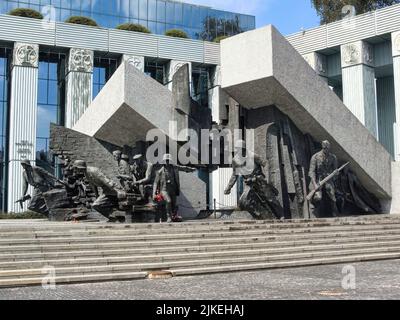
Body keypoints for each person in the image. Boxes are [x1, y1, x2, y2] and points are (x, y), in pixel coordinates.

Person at [224, 140, 284, 220]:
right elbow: (235, 175)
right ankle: (261, 216)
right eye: (237, 149)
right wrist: (228, 188)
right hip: (249, 183)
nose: (238, 150)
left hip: (259, 180)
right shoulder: (235, 160)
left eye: (240, 148)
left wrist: (267, 177)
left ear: (244, 148)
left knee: (270, 198)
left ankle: (281, 215)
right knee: (245, 201)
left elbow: (265, 164)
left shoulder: (253, 155)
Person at [153, 154, 195, 222]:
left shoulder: (174, 168)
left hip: (173, 189)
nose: (167, 162)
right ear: (164, 161)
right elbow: (155, 182)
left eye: (168, 160)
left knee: (173, 204)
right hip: (164, 190)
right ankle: (168, 216)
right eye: (166, 160)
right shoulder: (160, 171)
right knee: (168, 201)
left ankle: (173, 216)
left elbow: (182, 168)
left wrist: (190, 169)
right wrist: (154, 193)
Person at [308, 140, 339, 217]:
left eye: (328, 148)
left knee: (332, 195)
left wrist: (336, 173)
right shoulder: (315, 157)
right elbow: (311, 172)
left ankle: (335, 213)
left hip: (328, 179)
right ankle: (314, 209)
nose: (326, 149)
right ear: (322, 147)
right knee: (318, 197)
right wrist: (315, 184)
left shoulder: (333, 157)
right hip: (318, 179)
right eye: (325, 148)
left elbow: (335, 171)